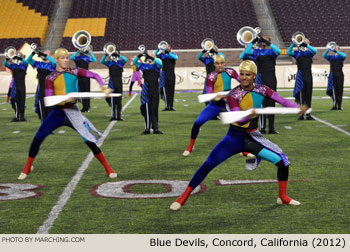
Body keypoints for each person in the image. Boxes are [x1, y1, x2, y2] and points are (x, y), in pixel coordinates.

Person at [171, 60, 308, 211]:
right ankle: (183, 197)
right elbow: (239, 119)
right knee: (208, 164)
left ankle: (282, 197)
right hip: (233, 139)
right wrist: (249, 115)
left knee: (283, 162)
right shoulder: (233, 95)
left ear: (254, 76)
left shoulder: (263, 89)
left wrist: (296, 108)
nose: (243, 77)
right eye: (242, 74)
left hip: (253, 138)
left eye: (247, 75)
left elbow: (281, 100)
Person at [18, 48, 116, 180]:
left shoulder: (75, 71)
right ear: (56, 59)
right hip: (57, 113)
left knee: (89, 140)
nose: (66, 60)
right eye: (63, 58)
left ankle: (108, 168)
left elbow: (95, 76)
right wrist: (64, 98)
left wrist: (103, 87)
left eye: (67, 57)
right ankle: (27, 168)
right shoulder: (50, 77)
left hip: (73, 112)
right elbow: (48, 99)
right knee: (37, 138)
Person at [183, 55, 240, 156]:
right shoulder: (211, 76)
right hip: (214, 105)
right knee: (197, 123)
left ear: (224, 63)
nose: (220, 65)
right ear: (214, 64)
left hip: (227, 104)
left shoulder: (230, 71)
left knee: (240, 124)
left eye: (221, 63)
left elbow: (242, 82)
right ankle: (190, 146)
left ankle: (243, 150)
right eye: (217, 63)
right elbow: (209, 94)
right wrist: (215, 97)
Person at [240, 35, 281, 134]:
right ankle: (263, 128)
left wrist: (267, 42)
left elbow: (278, 51)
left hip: (271, 78)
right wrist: (253, 41)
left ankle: (271, 128)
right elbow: (245, 53)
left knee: (271, 103)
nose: (262, 42)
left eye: (265, 40)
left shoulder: (271, 51)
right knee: (262, 103)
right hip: (260, 78)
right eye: (262, 40)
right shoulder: (256, 52)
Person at [133, 52, 163, 134]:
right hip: (146, 89)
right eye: (149, 55)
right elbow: (134, 62)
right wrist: (140, 54)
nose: (150, 56)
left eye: (152, 55)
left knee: (154, 109)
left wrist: (152, 58)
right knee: (147, 109)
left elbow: (161, 64)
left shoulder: (156, 65)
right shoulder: (143, 65)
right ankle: (147, 129)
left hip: (155, 89)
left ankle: (155, 129)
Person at [287, 38, 317, 120]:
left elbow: (315, 51)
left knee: (308, 96)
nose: (303, 43)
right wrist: (293, 44)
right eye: (302, 42)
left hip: (308, 75)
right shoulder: (297, 53)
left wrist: (307, 45)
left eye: (305, 42)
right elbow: (288, 52)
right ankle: (301, 115)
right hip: (300, 76)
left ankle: (308, 114)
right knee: (301, 96)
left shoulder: (310, 52)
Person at [26, 49, 56, 122]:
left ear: (51, 56)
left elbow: (54, 62)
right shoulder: (38, 64)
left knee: (50, 109)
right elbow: (28, 60)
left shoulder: (52, 65)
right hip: (41, 89)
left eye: (46, 54)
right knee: (42, 109)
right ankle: (44, 126)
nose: (44, 55)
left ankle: (50, 126)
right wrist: (33, 52)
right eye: (43, 53)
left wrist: (46, 56)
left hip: (50, 90)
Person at [100, 51, 127, 121]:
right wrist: (106, 55)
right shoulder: (109, 62)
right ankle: (113, 116)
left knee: (119, 100)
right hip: (112, 82)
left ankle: (119, 116)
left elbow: (125, 59)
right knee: (112, 100)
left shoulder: (120, 62)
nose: (114, 56)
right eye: (113, 54)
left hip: (119, 82)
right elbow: (101, 61)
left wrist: (119, 55)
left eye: (115, 54)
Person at [3, 52, 29, 122]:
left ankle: (22, 117)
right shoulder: (13, 65)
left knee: (22, 101)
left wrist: (20, 57)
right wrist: (8, 58)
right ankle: (17, 117)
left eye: (18, 55)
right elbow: (4, 64)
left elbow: (26, 61)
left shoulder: (24, 65)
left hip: (22, 85)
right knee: (16, 101)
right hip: (15, 85)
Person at [155, 43, 178, 111]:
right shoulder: (162, 55)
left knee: (171, 90)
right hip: (164, 73)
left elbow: (176, 58)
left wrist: (168, 53)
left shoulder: (173, 54)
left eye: (168, 46)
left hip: (171, 73)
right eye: (165, 46)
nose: (166, 47)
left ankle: (171, 106)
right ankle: (167, 106)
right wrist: (159, 48)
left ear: (170, 48)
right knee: (164, 90)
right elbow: (156, 54)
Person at [322, 45, 346, 110]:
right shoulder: (331, 57)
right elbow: (324, 55)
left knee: (339, 90)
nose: (334, 49)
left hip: (339, 74)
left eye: (336, 48)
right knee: (333, 90)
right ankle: (335, 104)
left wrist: (336, 51)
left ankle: (340, 105)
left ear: (338, 49)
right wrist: (328, 49)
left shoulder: (340, 56)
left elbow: (344, 56)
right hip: (332, 75)